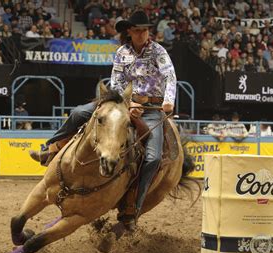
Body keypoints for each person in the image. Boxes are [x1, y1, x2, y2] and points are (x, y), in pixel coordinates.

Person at [28, 11, 176, 229]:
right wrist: (128, 102)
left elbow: (169, 76)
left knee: (153, 158)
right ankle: (52, 148)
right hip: (121, 103)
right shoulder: (122, 52)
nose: (142, 34)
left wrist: (168, 100)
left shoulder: (158, 51)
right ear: (130, 32)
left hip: (152, 107)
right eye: (138, 30)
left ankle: (133, 206)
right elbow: (116, 82)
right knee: (79, 113)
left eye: (145, 30)